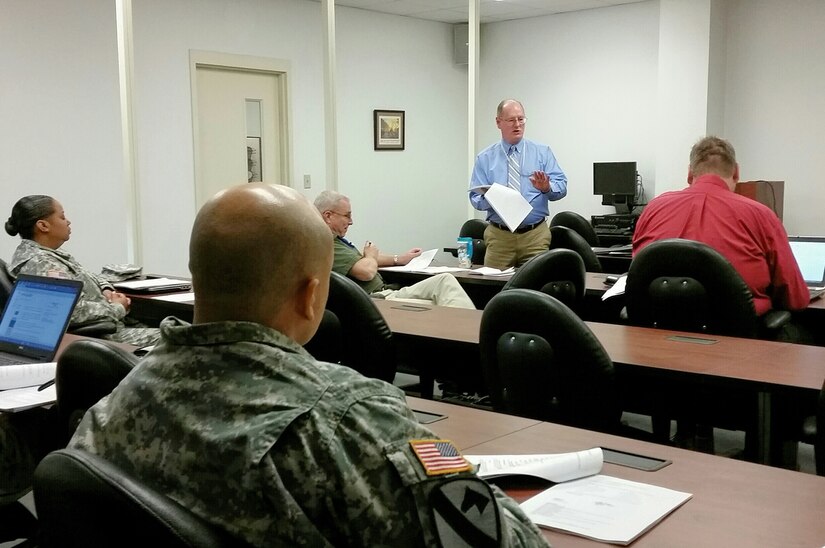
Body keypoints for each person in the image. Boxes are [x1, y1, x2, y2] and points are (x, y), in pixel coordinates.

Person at [69, 183, 549, 547]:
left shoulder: (113, 401)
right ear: (312, 294)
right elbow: (504, 540)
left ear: (196, 276)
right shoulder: (351, 415)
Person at [632, 136, 808, 316]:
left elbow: (637, 276)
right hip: (739, 338)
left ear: (690, 173)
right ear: (736, 172)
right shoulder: (760, 215)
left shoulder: (653, 209)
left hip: (656, 333)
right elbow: (796, 298)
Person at [4, 195, 159, 346]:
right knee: (180, 337)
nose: (68, 222)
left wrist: (105, 289)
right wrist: (117, 307)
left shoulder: (47, 254)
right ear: (43, 226)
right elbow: (70, 311)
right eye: (62, 217)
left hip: (109, 325)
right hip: (100, 336)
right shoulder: (41, 263)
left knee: (170, 325)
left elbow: (89, 275)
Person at [314, 190, 476, 309]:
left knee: (444, 280)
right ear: (328, 216)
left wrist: (400, 259)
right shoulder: (325, 243)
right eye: (347, 216)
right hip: (377, 300)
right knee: (443, 304)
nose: (351, 221)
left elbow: (360, 261)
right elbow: (366, 271)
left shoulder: (335, 240)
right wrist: (370, 256)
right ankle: (474, 340)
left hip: (386, 292)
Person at [469, 99, 568, 269]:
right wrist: (492, 198)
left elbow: (562, 186)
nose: (517, 125)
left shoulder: (542, 152)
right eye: (511, 120)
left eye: (521, 119)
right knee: (494, 290)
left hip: (534, 236)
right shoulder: (485, 158)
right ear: (498, 122)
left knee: (535, 289)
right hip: (499, 237)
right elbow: (475, 197)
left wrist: (547, 188)